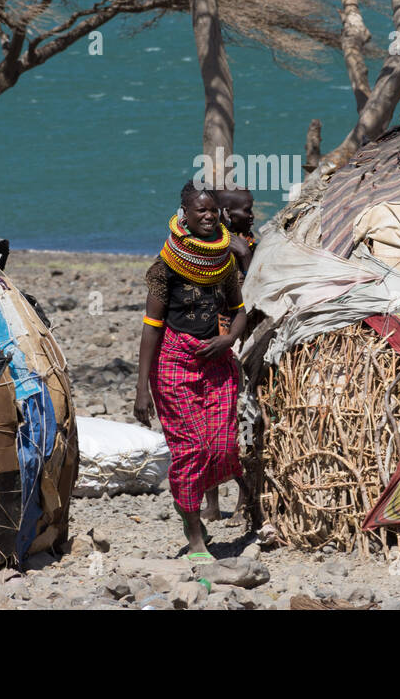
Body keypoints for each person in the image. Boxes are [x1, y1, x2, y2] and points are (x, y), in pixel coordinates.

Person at [135, 181, 248, 559]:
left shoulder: (224, 261)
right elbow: (151, 327)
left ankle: (207, 514)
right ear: (184, 213)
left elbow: (240, 311)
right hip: (173, 363)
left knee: (222, 445)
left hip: (215, 360)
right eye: (200, 210)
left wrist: (228, 339)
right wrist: (141, 389)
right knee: (191, 450)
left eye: (212, 210)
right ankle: (195, 535)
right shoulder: (165, 267)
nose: (208, 216)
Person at [218, 186, 257, 274]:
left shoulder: (247, 241)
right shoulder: (218, 252)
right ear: (227, 213)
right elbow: (255, 286)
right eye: (247, 210)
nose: (252, 216)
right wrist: (246, 255)